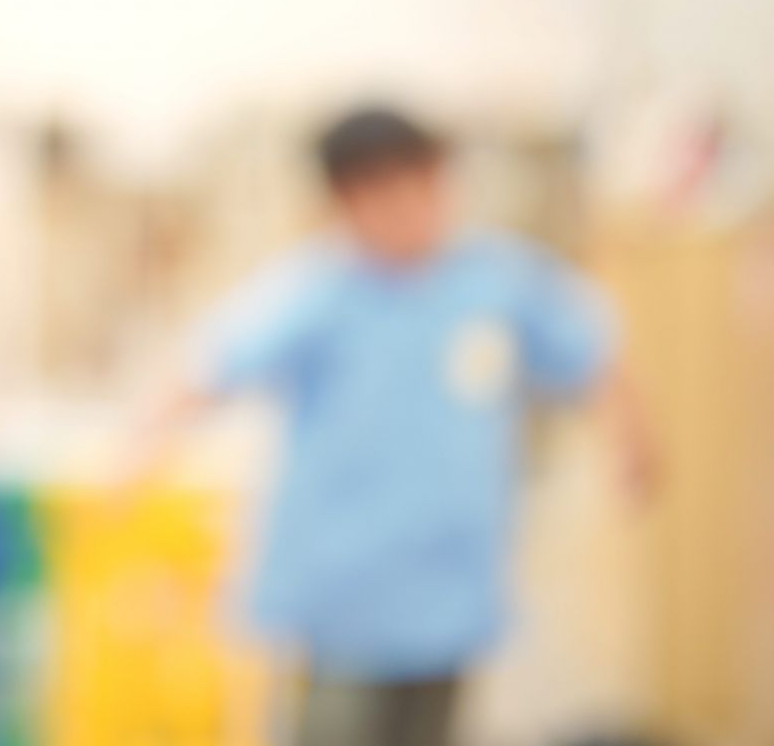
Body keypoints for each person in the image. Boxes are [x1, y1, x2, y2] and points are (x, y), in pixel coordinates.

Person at [135, 106, 651, 746]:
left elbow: (590, 349)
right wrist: (140, 455)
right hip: (347, 595)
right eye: (384, 195)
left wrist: (630, 437)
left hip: (450, 582)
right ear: (345, 205)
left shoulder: (493, 279)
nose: (410, 210)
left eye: (424, 187)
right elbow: (208, 367)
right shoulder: (318, 291)